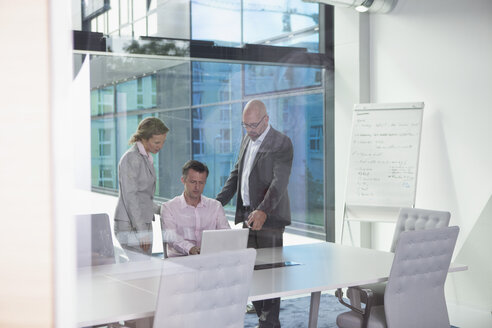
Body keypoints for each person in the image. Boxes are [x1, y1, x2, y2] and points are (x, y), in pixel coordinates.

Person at [216, 99, 293, 328]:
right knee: (250, 272)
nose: (249, 130)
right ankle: (264, 318)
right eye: (245, 125)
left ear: (266, 119)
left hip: (269, 218)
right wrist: (217, 203)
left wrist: (262, 210)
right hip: (248, 216)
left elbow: (279, 183)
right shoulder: (246, 139)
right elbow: (237, 173)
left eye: (253, 125)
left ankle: (269, 322)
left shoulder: (281, 142)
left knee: (269, 274)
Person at [114, 117, 169, 257]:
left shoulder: (145, 158)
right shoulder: (131, 158)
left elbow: (144, 197)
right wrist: (141, 230)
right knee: (140, 268)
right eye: (157, 142)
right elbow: (131, 196)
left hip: (141, 223)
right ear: (144, 138)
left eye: (163, 142)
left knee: (143, 269)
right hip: (131, 225)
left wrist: (164, 209)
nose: (160, 146)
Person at [161, 160, 230, 257]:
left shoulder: (216, 206)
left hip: (209, 260)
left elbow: (226, 234)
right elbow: (172, 238)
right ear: (183, 180)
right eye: (193, 182)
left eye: (201, 183)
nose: (197, 187)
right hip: (179, 262)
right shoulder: (168, 207)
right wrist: (191, 249)